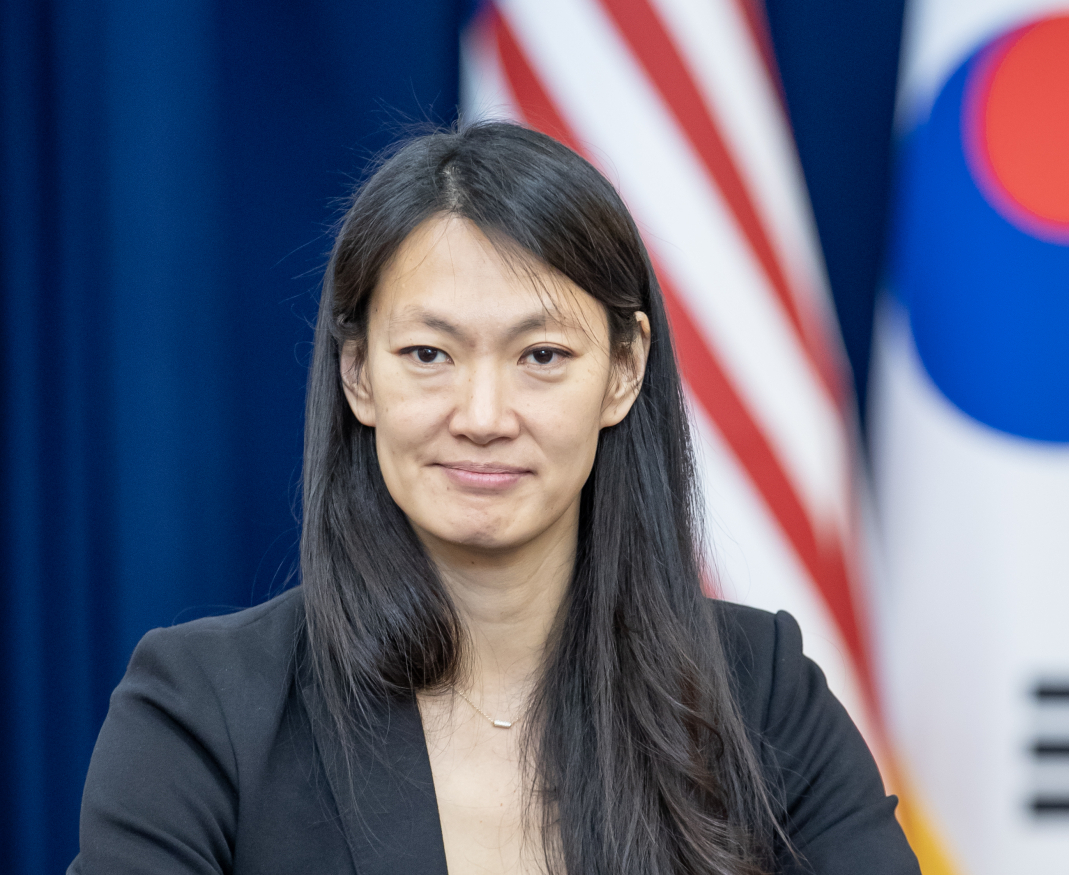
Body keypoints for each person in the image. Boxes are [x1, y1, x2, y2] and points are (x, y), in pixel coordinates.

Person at [70, 122, 920, 875]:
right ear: (358, 373)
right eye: (429, 354)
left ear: (624, 371)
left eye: (542, 356)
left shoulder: (761, 692)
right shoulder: (202, 709)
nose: (482, 417)